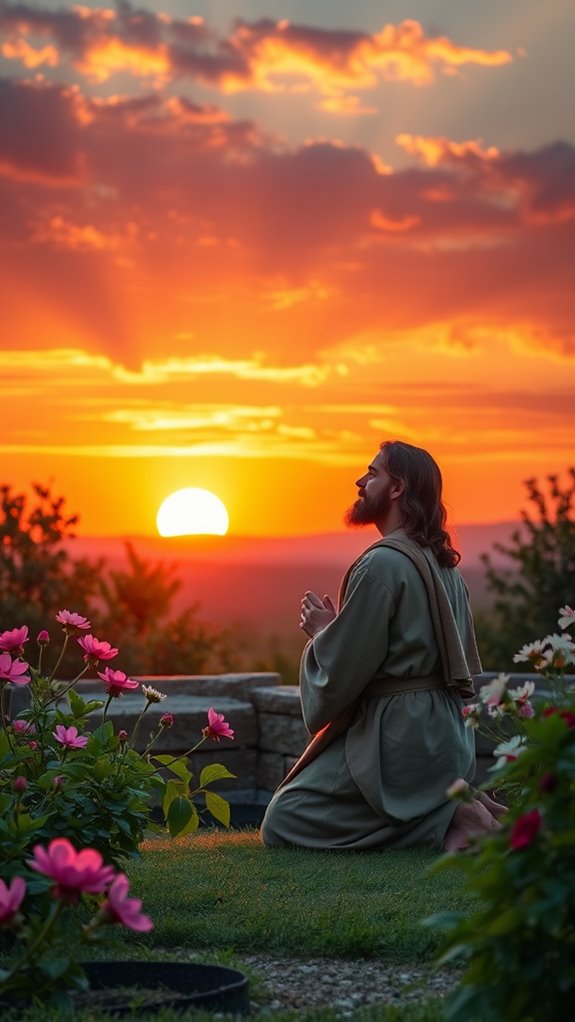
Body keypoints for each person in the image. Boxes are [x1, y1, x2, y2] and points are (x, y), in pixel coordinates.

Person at [261, 439, 505, 851]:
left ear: (398, 489)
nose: (360, 481)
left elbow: (345, 673)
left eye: (373, 473)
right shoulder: (446, 567)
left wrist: (323, 634)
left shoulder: (380, 564)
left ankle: (450, 817)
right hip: (446, 737)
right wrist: (343, 629)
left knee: (284, 819)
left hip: (398, 739)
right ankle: (465, 806)